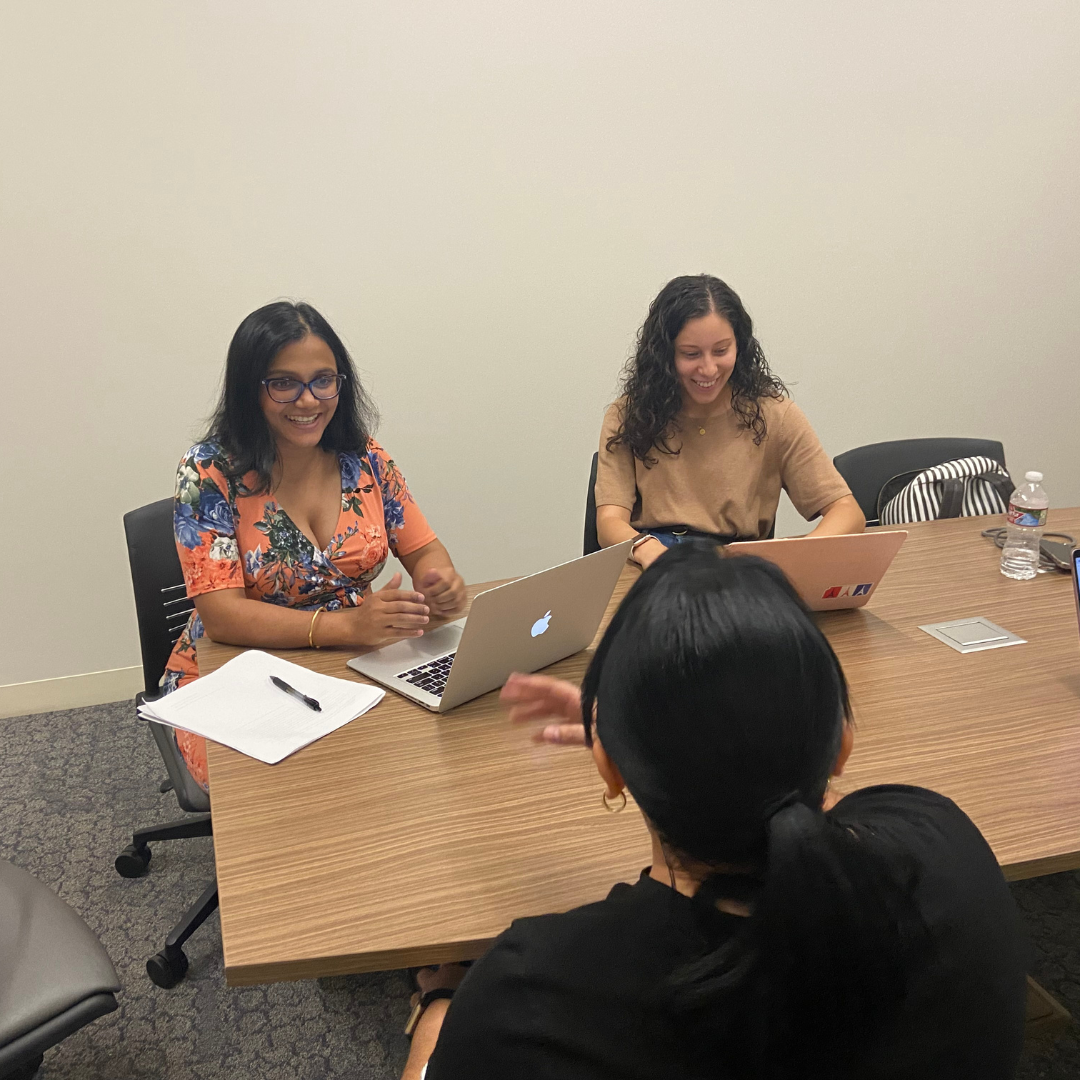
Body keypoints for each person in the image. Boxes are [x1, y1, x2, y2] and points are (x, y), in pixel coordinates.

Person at [401, 544, 1028, 1080]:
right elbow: (813, 805)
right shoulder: (946, 847)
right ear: (841, 742)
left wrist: (442, 1005)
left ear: (608, 768)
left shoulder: (526, 1001)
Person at [162, 301, 465, 789]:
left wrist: (439, 581)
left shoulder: (364, 457)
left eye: (324, 380)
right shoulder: (208, 471)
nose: (308, 400)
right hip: (234, 674)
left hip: (354, 660)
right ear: (249, 389)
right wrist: (346, 626)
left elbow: (425, 549)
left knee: (412, 768)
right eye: (283, 383)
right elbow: (221, 616)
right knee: (289, 795)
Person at [596, 275, 865, 569]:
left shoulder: (775, 414)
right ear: (664, 354)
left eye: (722, 351)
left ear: (740, 346)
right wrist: (649, 553)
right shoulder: (628, 413)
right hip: (654, 563)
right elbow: (609, 521)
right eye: (691, 354)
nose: (709, 368)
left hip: (738, 570)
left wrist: (799, 555)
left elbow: (848, 512)